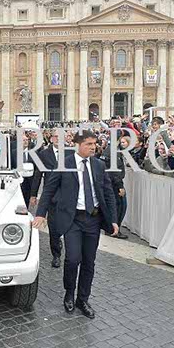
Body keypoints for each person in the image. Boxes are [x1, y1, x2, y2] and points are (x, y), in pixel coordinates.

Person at [33, 130, 119, 317]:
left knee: (89, 261)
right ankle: (69, 293)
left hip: (93, 219)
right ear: (77, 145)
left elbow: (108, 193)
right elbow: (49, 190)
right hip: (73, 219)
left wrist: (113, 219)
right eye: (89, 144)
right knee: (72, 259)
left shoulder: (99, 165)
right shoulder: (64, 164)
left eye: (94, 144)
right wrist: (40, 214)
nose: (93, 147)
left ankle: (83, 299)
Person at [29, 131, 65, 266]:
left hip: (68, 195)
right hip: (51, 195)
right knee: (53, 225)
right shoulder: (44, 154)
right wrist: (33, 194)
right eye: (56, 136)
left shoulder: (70, 153)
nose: (58, 139)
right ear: (51, 139)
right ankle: (56, 255)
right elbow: (38, 175)